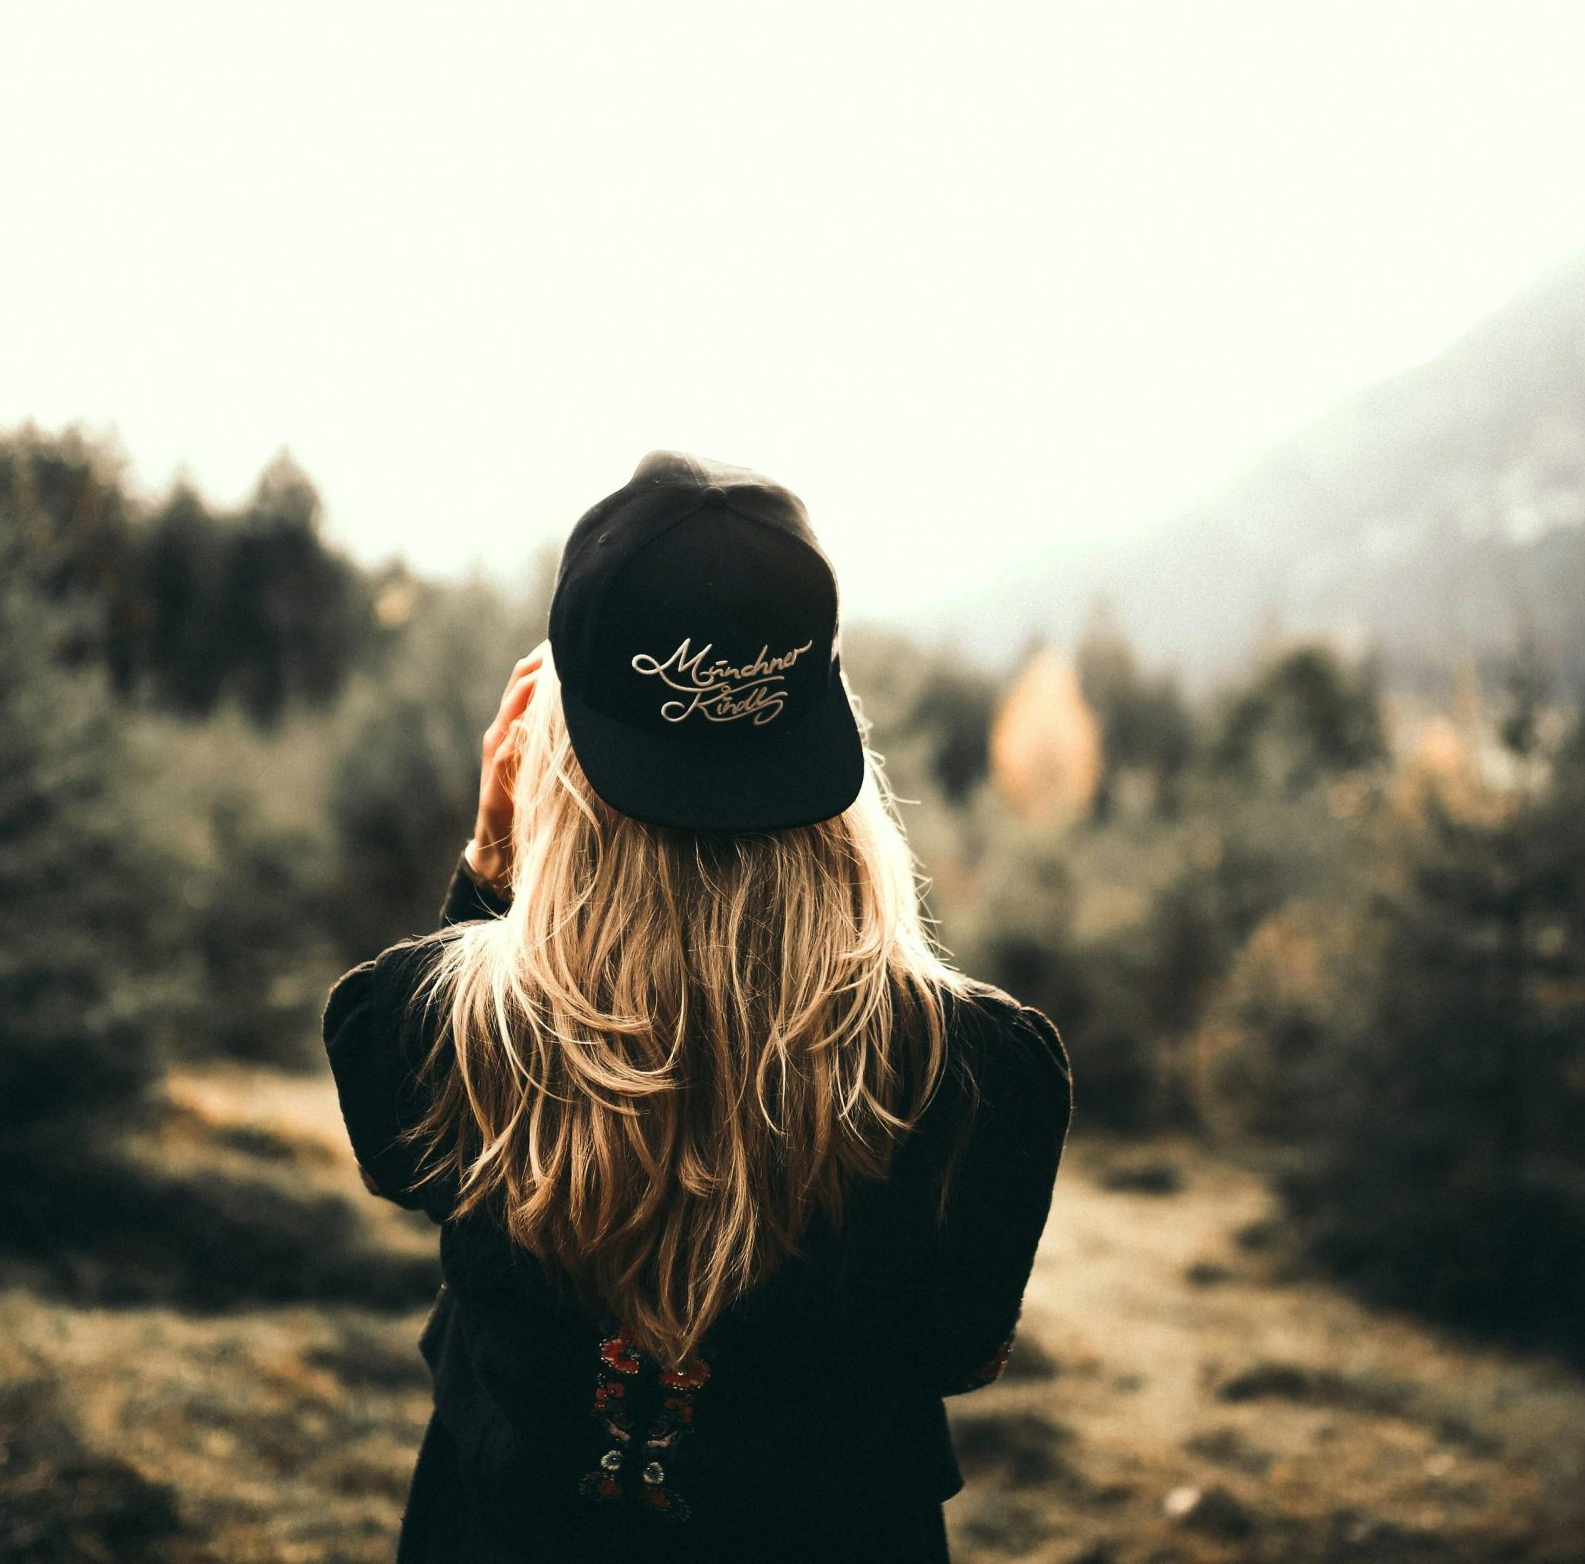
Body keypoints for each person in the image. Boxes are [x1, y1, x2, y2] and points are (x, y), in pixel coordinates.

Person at [323, 451, 1072, 1563]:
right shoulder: (984, 1076)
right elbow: (959, 1352)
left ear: (544, 746)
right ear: (828, 733)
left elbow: (406, 1165)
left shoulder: (422, 1028)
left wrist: (492, 860)